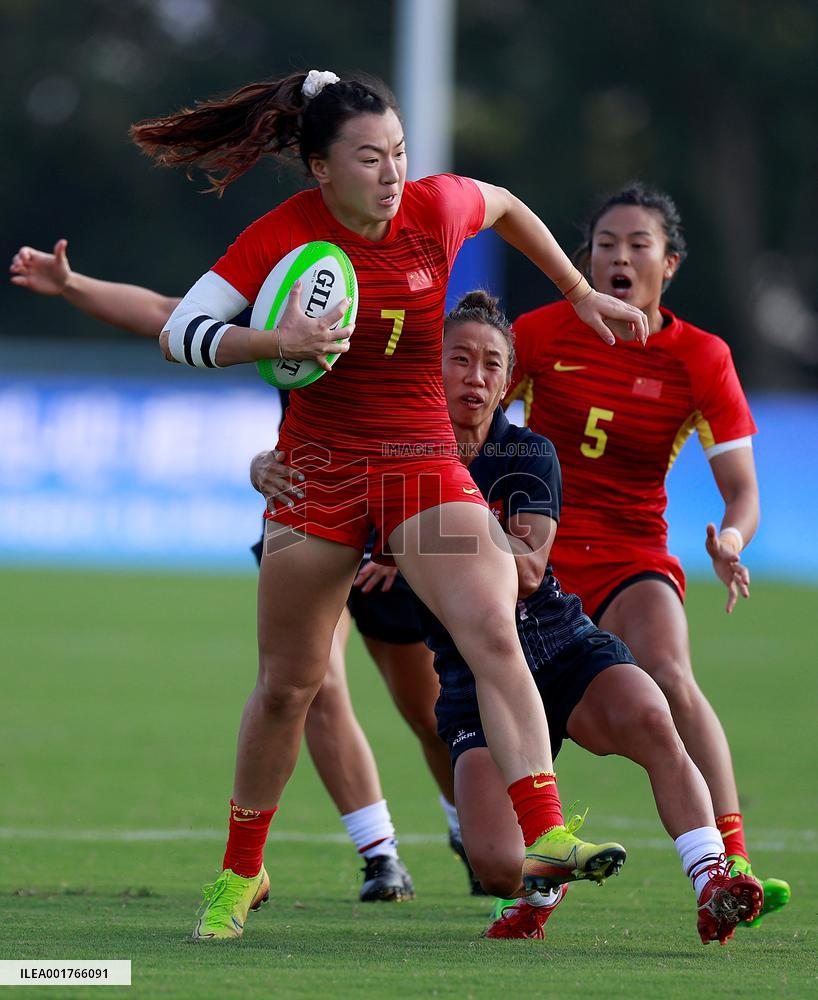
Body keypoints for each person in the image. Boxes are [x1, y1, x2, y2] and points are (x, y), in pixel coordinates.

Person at [127, 69, 649, 939]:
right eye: (369, 158)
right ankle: (240, 872)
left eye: (399, 153)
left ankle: (546, 827)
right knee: (290, 687)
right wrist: (273, 340)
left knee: (493, 630)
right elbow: (181, 330)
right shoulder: (283, 235)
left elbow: (508, 203)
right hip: (318, 472)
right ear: (319, 168)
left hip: (419, 461)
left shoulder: (436, 210)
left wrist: (578, 291)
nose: (393, 172)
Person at [8, 239, 471, 898]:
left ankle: (471, 830)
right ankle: (381, 856)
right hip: (308, 509)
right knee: (308, 685)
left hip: (396, 517)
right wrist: (74, 285)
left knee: (428, 713)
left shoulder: (403, 309)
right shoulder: (296, 289)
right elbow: (170, 314)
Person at [413, 290, 762, 944]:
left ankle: (713, 875)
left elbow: (528, 571)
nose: (477, 377)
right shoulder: (399, 460)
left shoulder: (527, 454)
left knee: (656, 714)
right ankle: (541, 884)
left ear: (507, 378)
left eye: (492, 364)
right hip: (473, 679)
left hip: (557, 645)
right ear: (432, 371)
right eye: (459, 360)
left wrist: (422, 533)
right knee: (493, 864)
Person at [506, 182, 790, 925]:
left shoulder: (700, 356)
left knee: (667, 674)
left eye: (639, 245)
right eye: (606, 245)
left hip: (634, 552)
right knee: (510, 707)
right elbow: (466, 419)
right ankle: (533, 857)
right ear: (587, 261)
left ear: (670, 263)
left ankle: (732, 861)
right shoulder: (538, 334)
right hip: (542, 556)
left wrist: (730, 540)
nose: (621, 257)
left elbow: (743, 491)